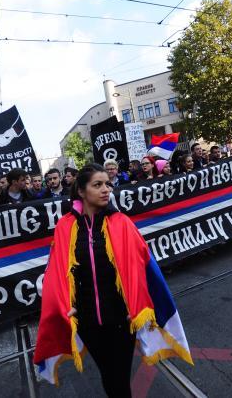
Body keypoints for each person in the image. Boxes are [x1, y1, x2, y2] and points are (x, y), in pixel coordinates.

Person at [34, 164, 192, 396]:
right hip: (87, 321)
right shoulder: (65, 226)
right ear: (81, 190)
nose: (106, 189)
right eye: (97, 185)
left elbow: (144, 268)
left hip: (120, 318)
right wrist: (64, 305)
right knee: (108, 375)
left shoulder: (121, 222)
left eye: (107, 184)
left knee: (118, 378)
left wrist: (136, 305)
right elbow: (55, 272)